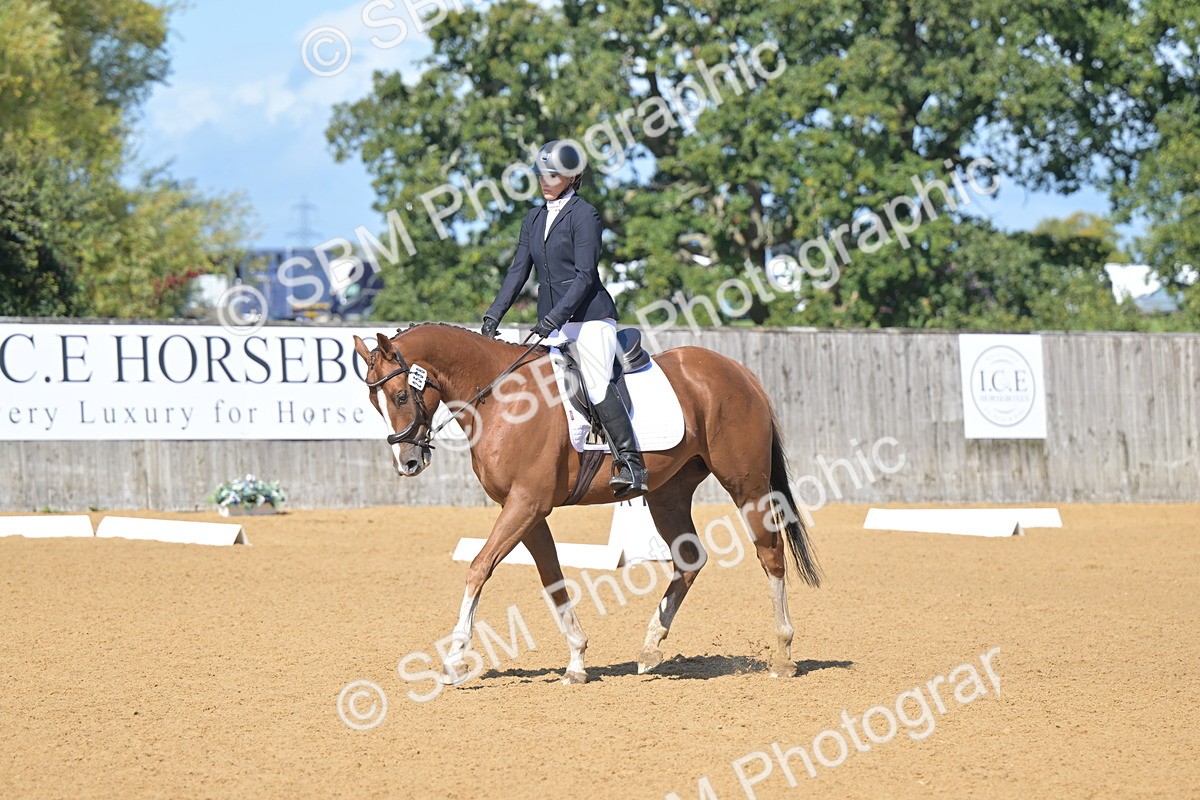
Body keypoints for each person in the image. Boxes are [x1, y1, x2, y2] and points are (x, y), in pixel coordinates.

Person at [480, 140, 647, 499]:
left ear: (572, 177)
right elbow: (517, 272)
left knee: (597, 382)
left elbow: (586, 275)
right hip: (553, 325)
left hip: (590, 320)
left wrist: (554, 317)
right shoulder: (534, 217)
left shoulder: (585, 215)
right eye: (541, 173)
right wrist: (494, 315)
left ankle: (631, 463)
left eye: (552, 174)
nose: (544, 180)